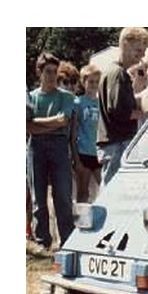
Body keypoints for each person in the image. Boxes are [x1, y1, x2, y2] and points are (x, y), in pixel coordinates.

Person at [27, 52, 76, 250]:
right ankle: (42, 242)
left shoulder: (66, 96)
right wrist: (47, 123)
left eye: (55, 72)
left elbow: (63, 120)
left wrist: (35, 123)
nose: (52, 76)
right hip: (36, 146)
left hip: (59, 146)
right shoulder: (31, 97)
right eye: (47, 72)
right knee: (38, 196)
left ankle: (67, 240)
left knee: (63, 196)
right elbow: (26, 127)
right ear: (39, 72)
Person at [97, 27, 148, 185]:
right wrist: (146, 113)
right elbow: (118, 110)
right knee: (112, 191)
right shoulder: (119, 74)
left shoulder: (113, 71)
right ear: (126, 45)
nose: (142, 55)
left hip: (113, 143)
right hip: (117, 144)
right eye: (139, 50)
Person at [73, 64, 102, 202]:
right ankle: (80, 220)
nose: (94, 85)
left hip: (98, 151)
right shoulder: (78, 102)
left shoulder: (101, 102)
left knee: (104, 185)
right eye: (91, 81)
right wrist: (75, 157)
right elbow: (75, 129)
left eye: (97, 81)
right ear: (83, 82)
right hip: (84, 150)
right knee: (83, 191)